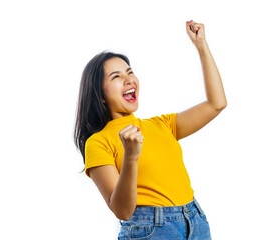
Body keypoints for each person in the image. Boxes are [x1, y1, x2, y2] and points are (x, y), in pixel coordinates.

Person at [74, 20, 227, 240]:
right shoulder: (98, 142)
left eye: (130, 72)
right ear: (99, 95)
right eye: (116, 77)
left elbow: (217, 104)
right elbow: (123, 211)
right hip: (151, 230)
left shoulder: (161, 124)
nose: (128, 79)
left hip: (195, 220)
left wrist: (201, 45)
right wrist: (131, 157)